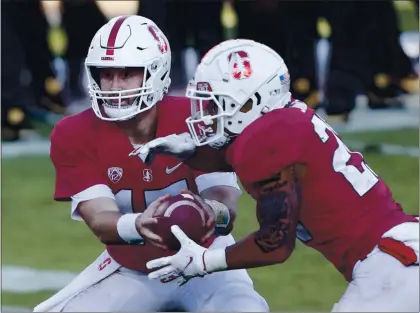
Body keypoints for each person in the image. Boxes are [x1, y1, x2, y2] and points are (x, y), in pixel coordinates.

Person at [135, 39, 419, 312]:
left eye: (216, 105)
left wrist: (203, 262)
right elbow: (245, 160)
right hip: (400, 250)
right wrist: (189, 151)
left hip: (390, 267)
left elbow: (274, 243)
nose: (207, 115)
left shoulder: (264, 138)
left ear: (253, 101)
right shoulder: (285, 119)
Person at [34, 18, 268, 312]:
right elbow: (101, 220)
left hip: (204, 258)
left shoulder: (199, 116)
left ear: (156, 73)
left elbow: (224, 204)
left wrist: (209, 214)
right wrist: (140, 224)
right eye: (105, 74)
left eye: (128, 73)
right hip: (132, 269)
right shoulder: (74, 132)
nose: (114, 86)